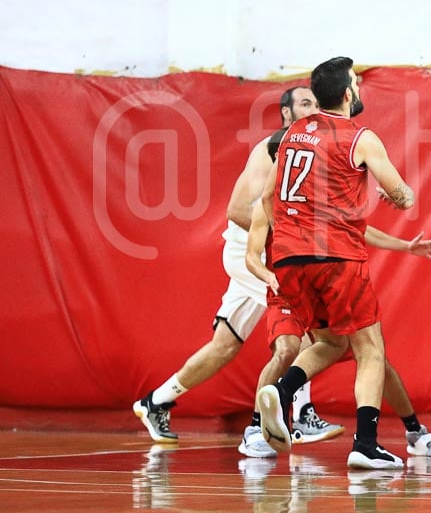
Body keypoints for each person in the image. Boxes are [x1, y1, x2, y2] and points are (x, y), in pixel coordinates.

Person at [133, 87, 343, 447]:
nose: (313, 109)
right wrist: (292, 237)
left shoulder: (307, 152)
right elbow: (237, 212)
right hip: (249, 251)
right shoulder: (270, 151)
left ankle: (157, 400)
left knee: (225, 345)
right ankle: (294, 414)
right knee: (305, 325)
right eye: (304, 103)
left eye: (315, 103)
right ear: (286, 115)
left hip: (267, 252)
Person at [239, 131, 431, 460]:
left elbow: (358, 227)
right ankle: (266, 422)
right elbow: (396, 200)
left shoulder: (295, 196)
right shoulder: (299, 192)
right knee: (310, 350)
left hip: (295, 276)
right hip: (312, 276)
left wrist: (405, 245)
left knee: (358, 354)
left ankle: (285, 397)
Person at [256, 56, 415, 470]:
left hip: (289, 258)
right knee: (371, 350)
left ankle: (283, 390)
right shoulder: (360, 137)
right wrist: (399, 196)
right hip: (336, 257)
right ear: (347, 93)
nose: (359, 89)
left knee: (330, 342)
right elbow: (402, 194)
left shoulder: (291, 134)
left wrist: (291, 231)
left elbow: (269, 195)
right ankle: (365, 444)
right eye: (357, 84)